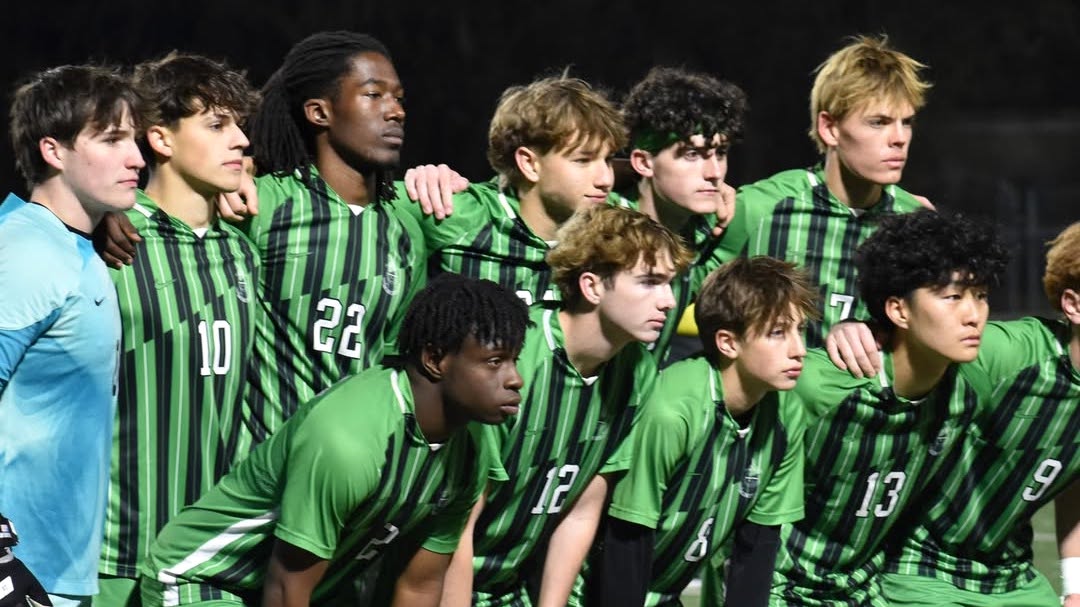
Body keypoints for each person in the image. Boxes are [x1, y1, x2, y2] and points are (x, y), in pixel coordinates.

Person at [139, 274, 529, 607]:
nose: (515, 379)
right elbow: (285, 588)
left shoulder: (472, 446)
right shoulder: (348, 439)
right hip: (208, 580)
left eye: (514, 360)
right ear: (435, 359)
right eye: (495, 361)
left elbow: (420, 585)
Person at [440, 204, 693, 607]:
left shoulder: (637, 371)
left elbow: (581, 511)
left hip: (508, 587)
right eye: (649, 282)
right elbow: (457, 519)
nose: (669, 301)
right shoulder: (515, 358)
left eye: (670, 284)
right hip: (436, 578)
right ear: (592, 286)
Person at [766, 210, 1008, 606]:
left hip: (865, 591)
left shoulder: (968, 391)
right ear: (898, 311)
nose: (973, 315)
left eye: (980, 296)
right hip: (779, 589)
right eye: (953, 297)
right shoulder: (819, 388)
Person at [95, 53, 263, 607]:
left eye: (239, 125)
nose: (240, 140)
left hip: (210, 564)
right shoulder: (109, 241)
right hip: (113, 557)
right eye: (216, 125)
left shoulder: (243, 251)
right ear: (160, 138)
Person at [589, 256, 817, 607]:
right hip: (595, 591)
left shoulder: (787, 414)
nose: (799, 350)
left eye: (799, 331)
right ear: (728, 343)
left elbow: (757, 547)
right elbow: (627, 536)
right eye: (777, 333)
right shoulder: (672, 408)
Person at [0, 64, 145, 606]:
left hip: (59, 573)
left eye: (134, 138)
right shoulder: (28, 253)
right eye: (111, 139)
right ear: (53, 151)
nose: (136, 157)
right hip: (20, 575)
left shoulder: (72, 246)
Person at [240, 31, 434, 434]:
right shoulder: (264, 204)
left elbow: (395, 363)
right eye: (374, 95)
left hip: (356, 461)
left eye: (399, 98)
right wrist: (112, 217)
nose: (396, 111)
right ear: (319, 113)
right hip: (261, 459)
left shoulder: (406, 231)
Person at [878, 221, 1080, 606]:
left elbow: (1073, 480)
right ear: (1073, 305)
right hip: (922, 566)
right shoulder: (1006, 355)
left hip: (1011, 578)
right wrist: (860, 331)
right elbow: (908, 351)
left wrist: (1076, 587)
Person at [717, 34, 931, 350]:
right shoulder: (760, 209)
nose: (899, 138)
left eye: (907, 122)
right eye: (878, 122)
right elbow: (681, 295)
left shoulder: (916, 223)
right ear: (829, 128)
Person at [392, 74, 627, 307]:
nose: (606, 179)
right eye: (583, 160)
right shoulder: (456, 212)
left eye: (608, 159)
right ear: (529, 164)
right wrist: (417, 182)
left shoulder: (619, 226)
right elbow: (371, 201)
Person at [619, 66, 747, 362]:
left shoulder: (709, 228)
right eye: (691, 154)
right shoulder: (595, 227)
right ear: (643, 162)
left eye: (720, 153)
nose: (714, 173)